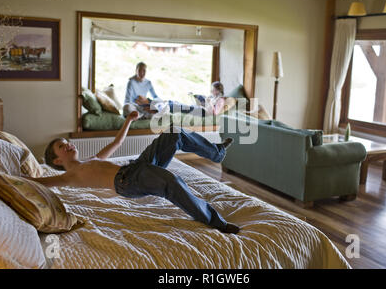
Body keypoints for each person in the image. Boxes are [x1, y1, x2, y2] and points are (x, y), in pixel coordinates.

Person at [32, 111, 239, 234]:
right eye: (62, 146)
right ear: (57, 160)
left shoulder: (92, 160)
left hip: (136, 166)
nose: (68, 144)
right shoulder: (69, 175)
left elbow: (117, 142)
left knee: (174, 132)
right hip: (128, 181)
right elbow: (41, 182)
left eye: (67, 142)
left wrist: (129, 120)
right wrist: (7, 177)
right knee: (171, 182)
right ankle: (215, 222)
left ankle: (216, 152)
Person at [137, 81, 226, 117]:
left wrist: (209, 103)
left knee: (177, 106)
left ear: (218, 90)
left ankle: (149, 103)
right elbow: (203, 104)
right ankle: (150, 104)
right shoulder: (212, 97)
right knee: (175, 103)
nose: (211, 91)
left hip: (203, 112)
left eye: (213, 89)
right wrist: (195, 98)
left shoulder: (220, 100)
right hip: (200, 109)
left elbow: (215, 113)